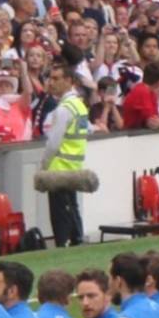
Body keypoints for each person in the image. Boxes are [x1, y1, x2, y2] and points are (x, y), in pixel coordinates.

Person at [40, 66, 90, 248]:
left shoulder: (64, 108)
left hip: (59, 166)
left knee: (60, 213)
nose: (51, 83)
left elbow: (54, 142)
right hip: (74, 165)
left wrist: (44, 165)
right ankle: (77, 239)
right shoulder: (79, 105)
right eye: (51, 79)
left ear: (69, 81)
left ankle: (65, 243)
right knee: (72, 208)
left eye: (56, 78)